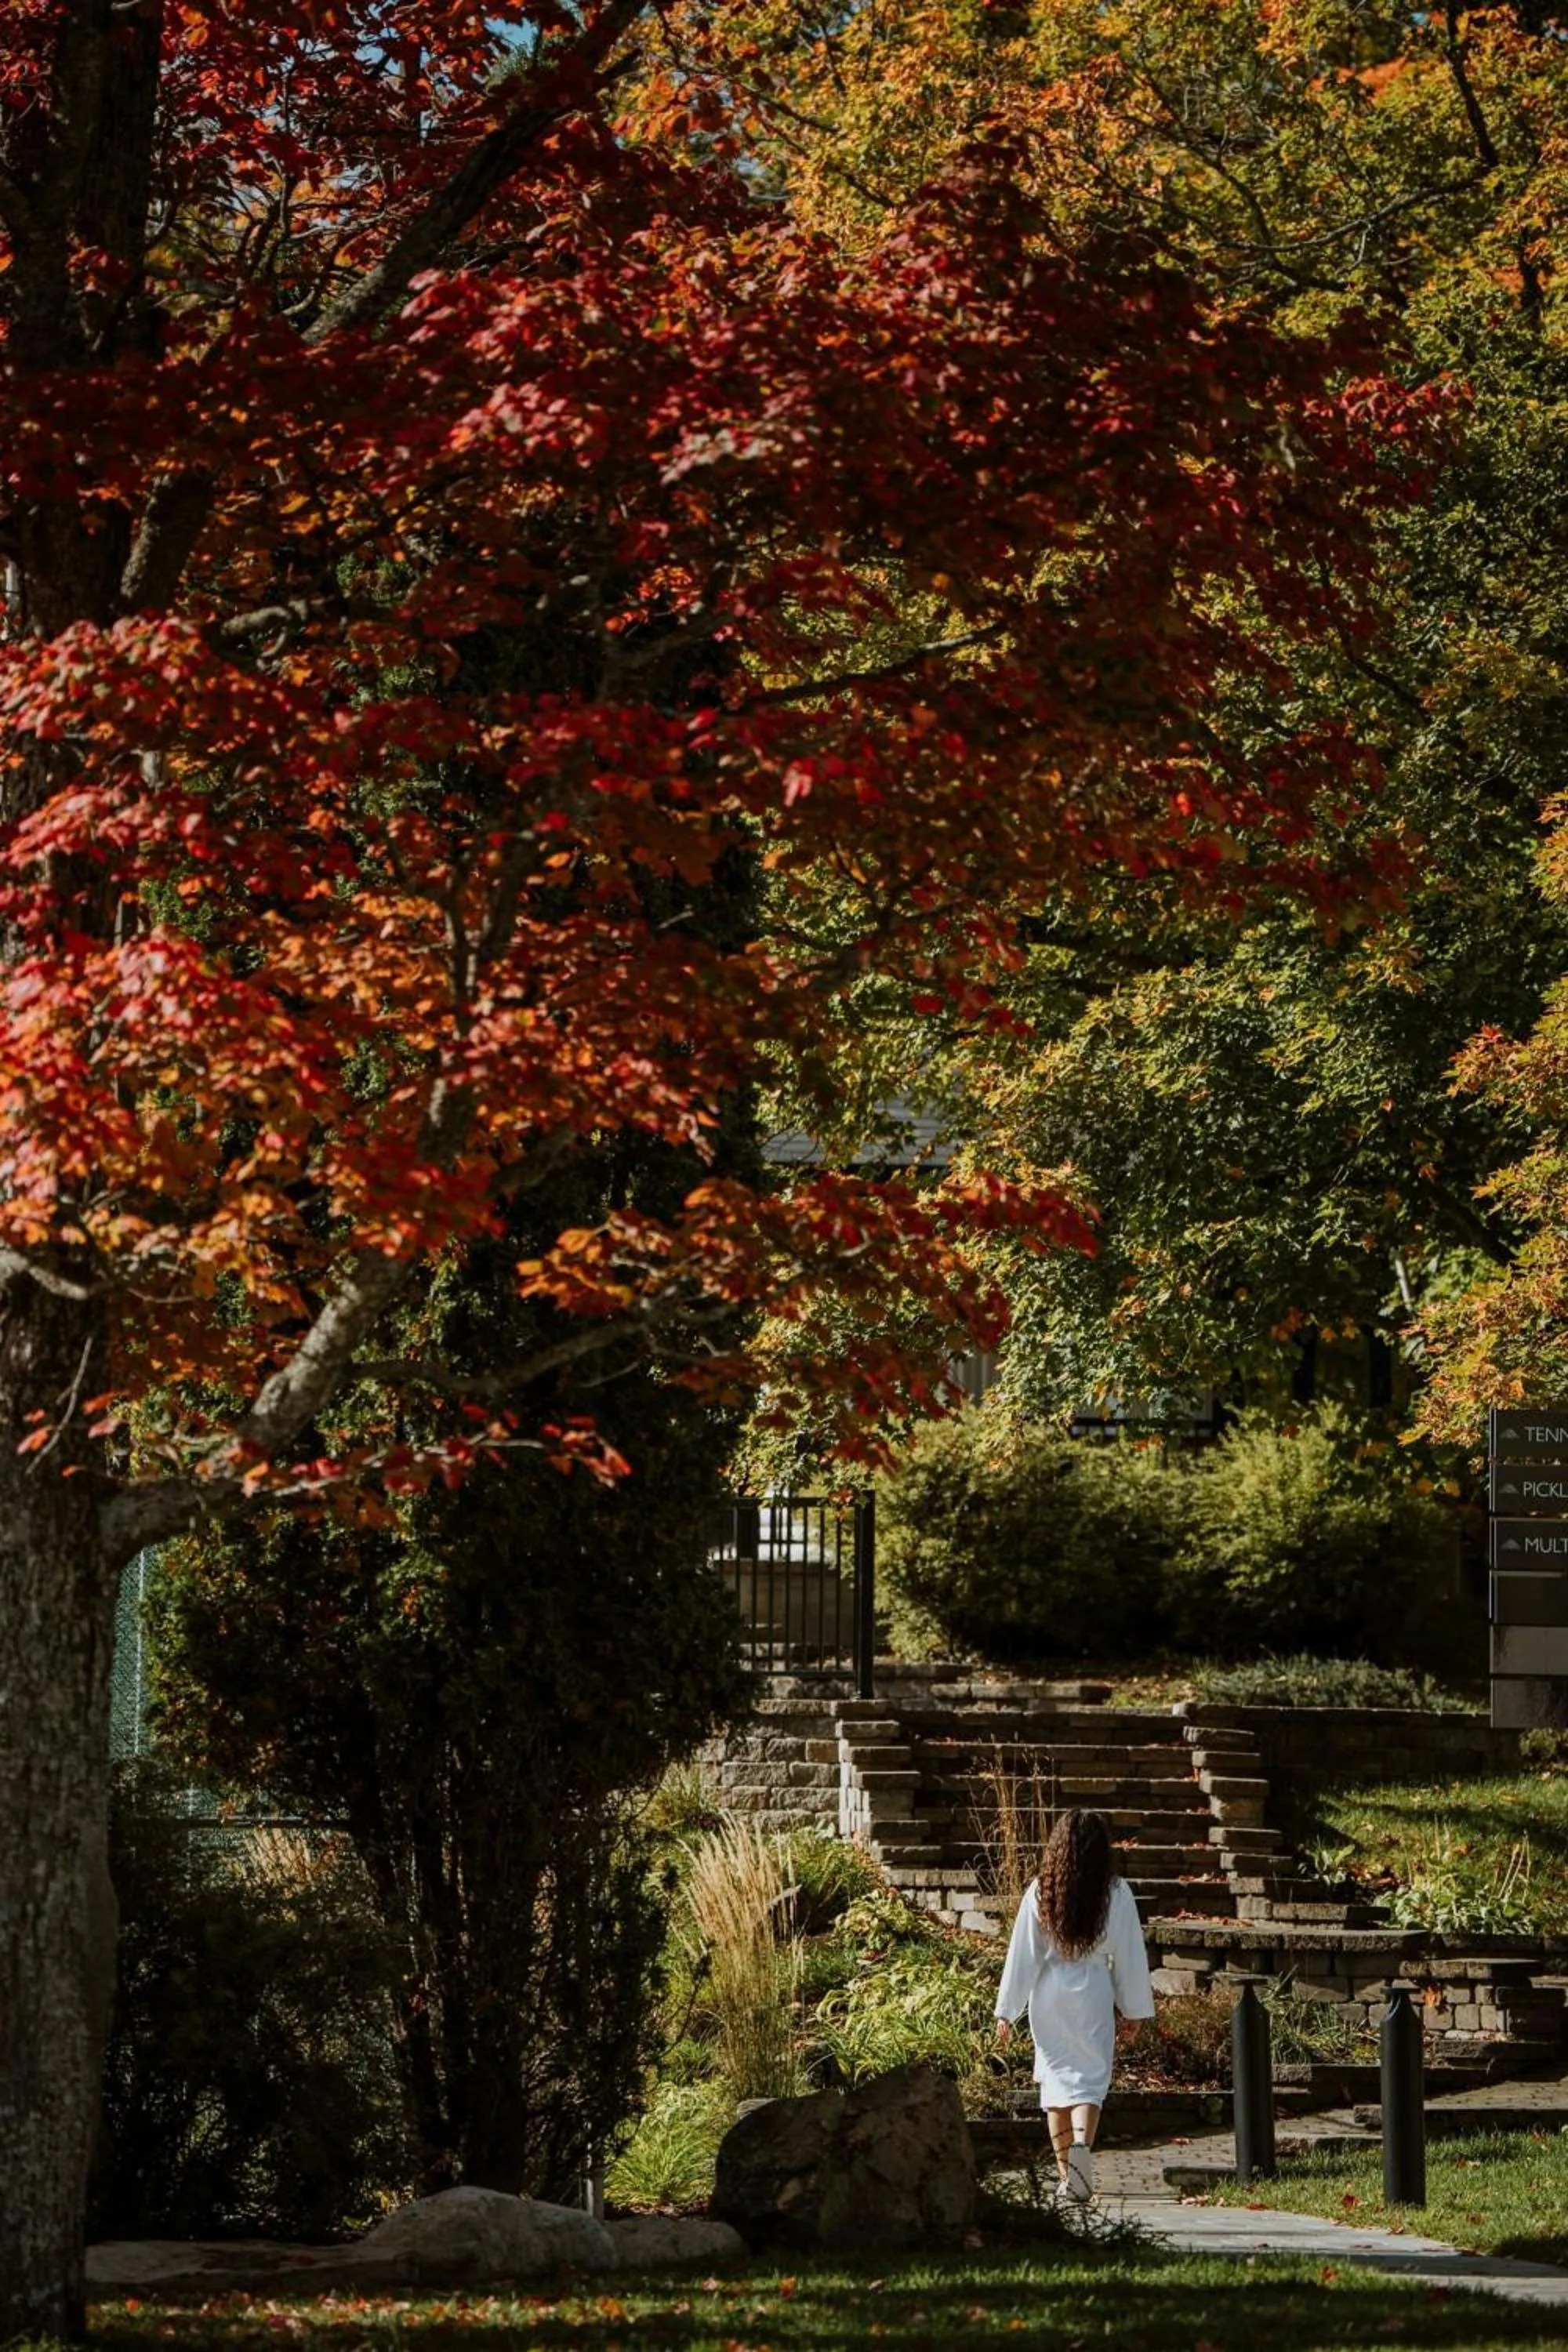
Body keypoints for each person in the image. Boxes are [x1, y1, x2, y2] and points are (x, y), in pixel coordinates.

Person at [993, 1807, 1154, 2203]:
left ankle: (1067, 2175)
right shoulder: (1116, 1892)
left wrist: (1006, 2010)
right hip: (1093, 1991)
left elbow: (1024, 1954)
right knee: (1089, 2080)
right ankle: (1083, 2144)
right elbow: (1129, 1955)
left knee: (1055, 2081)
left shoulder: (1042, 1890)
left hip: (1049, 1994)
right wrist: (1132, 2008)